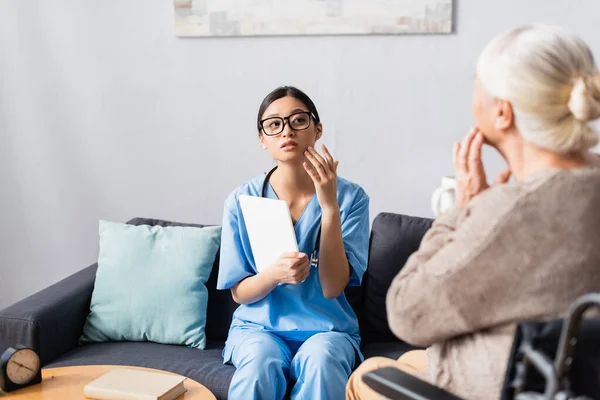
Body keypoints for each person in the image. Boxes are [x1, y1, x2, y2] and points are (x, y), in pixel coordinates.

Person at [347, 24, 600, 400]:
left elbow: (407, 312)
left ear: (501, 112)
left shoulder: (508, 211)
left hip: (508, 384)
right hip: (568, 377)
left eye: (477, 85)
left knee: (367, 375)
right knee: (412, 361)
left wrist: (463, 211)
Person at [217, 86, 370, 400]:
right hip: (259, 330)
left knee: (322, 361)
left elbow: (331, 288)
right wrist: (273, 275)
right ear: (263, 139)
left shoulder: (351, 199)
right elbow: (240, 293)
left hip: (327, 330)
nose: (286, 130)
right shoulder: (241, 200)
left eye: (298, 120)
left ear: (317, 129)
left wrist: (329, 207)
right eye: (274, 125)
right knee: (259, 362)